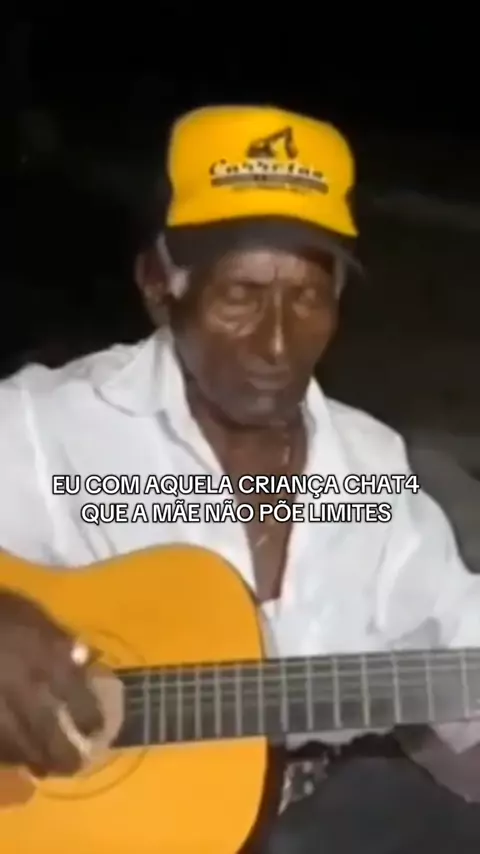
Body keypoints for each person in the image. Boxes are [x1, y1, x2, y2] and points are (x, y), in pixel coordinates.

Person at [1, 104, 480, 852]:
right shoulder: (42, 427)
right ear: (159, 284)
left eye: (308, 297)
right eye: (240, 296)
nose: (278, 344)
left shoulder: (367, 469)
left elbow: (461, 661)